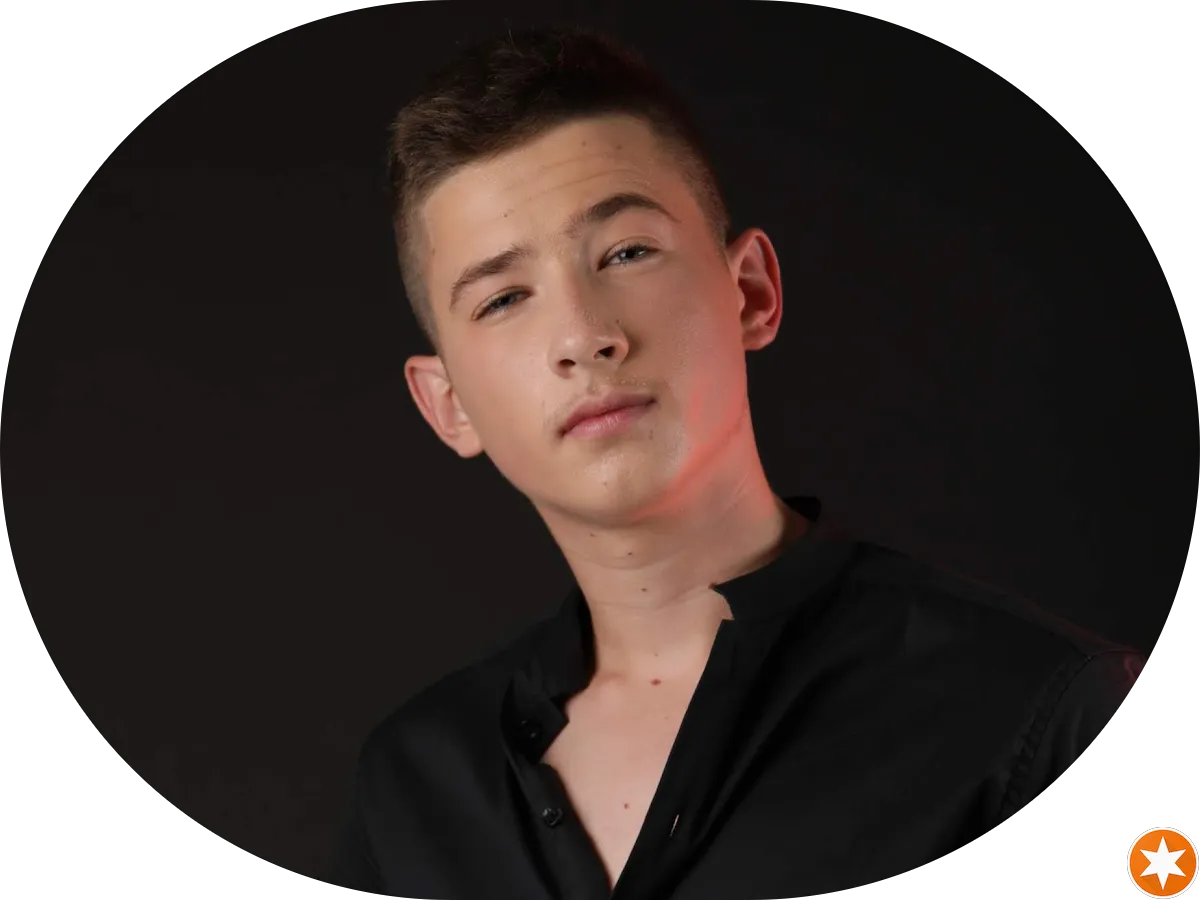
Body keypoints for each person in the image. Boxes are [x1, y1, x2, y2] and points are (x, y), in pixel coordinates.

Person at [326, 25, 1145, 900]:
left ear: (750, 290)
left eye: (626, 253)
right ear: (447, 405)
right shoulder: (412, 789)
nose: (584, 336)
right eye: (503, 298)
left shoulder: (1040, 710)